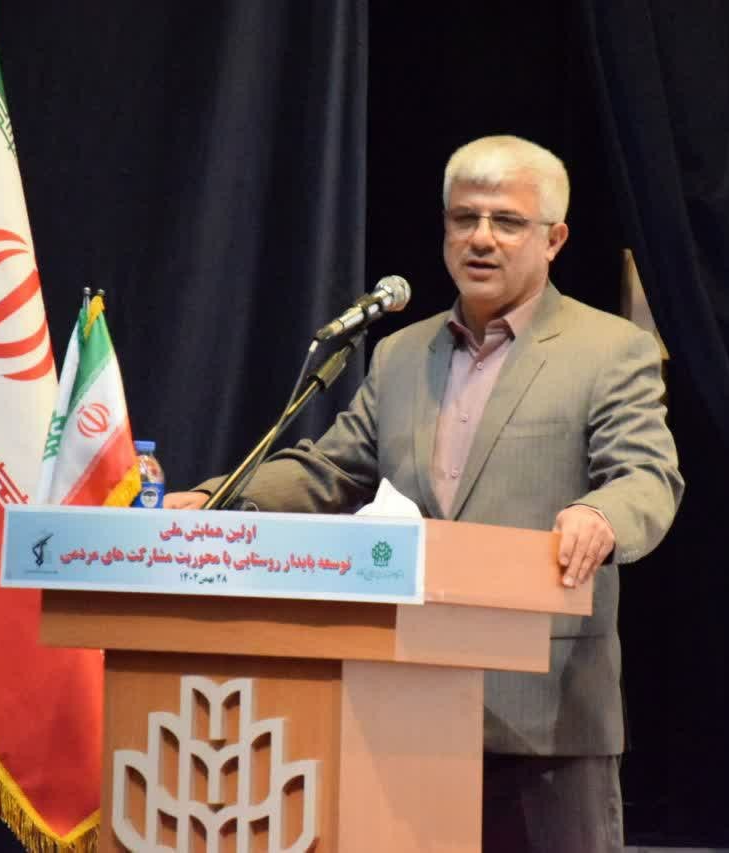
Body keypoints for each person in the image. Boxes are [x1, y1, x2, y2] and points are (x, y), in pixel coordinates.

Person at [165, 134, 683, 852]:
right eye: (464, 218)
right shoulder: (402, 354)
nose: (481, 238)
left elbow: (647, 475)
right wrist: (216, 499)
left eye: (507, 221)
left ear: (554, 239)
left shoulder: (608, 349)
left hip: (544, 712)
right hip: (404, 699)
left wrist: (600, 515)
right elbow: (330, 471)